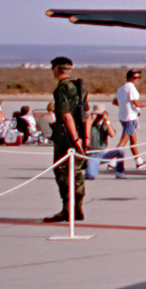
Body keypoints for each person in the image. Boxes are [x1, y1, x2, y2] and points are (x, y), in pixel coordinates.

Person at [44, 57, 89, 223]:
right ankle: (77, 208)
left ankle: (67, 209)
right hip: (80, 134)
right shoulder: (79, 87)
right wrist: (86, 137)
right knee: (77, 173)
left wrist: (75, 139)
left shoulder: (62, 89)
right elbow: (87, 114)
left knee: (63, 172)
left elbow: (66, 114)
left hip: (66, 137)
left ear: (56, 69)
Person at [111, 69, 146, 176]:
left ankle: (138, 160)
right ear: (129, 78)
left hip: (124, 116)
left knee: (133, 139)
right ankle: (112, 161)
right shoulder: (131, 88)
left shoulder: (122, 88)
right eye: (135, 77)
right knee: (123, 141)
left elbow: (115, 101)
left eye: (139, 77)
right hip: (130, 118)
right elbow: (137, 103)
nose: (137, 80)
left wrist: (125, 106)